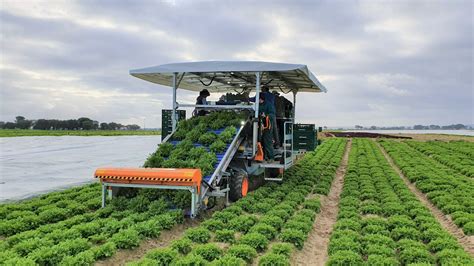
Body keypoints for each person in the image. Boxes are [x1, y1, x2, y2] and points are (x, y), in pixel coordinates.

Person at [258, 93, 275, 162]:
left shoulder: (269, 105)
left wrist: (266, 115)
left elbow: (272, 114)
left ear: (261, 99)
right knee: (260, 141)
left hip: (268, 126)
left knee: (267, 141)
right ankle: (263, 156)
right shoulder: (258, 105)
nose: (257, 100)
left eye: (258, 99)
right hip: (260, 125)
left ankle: (271, 158)